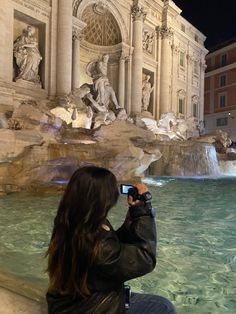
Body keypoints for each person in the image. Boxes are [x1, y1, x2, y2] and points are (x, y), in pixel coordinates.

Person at [46, 166, 176, 313]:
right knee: (163, 307)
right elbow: (145, 260)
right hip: (90, 307)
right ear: (104, 197)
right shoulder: (95, 240)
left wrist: (135, 212)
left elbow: (114, 247)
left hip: (72, 302)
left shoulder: (71, 222)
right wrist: (145, 213)